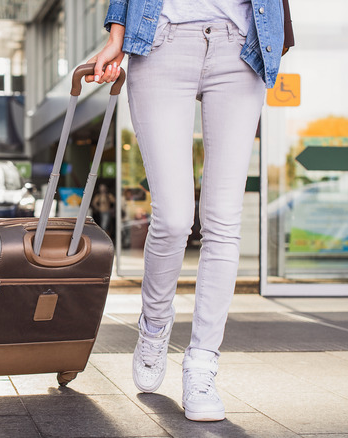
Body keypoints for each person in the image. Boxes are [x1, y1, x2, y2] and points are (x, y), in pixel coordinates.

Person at [87, 0, 293, 422]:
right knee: (174, 216)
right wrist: (116, 36)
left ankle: (202, 363)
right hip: (162, 38)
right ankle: (155, 323)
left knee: (223, 220)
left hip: (241, 44)